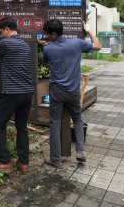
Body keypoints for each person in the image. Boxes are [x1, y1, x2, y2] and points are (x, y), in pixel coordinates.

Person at [40, 19, 101, 167]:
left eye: (48, 34)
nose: (47, 37)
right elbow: (98, 46)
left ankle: (55, 159)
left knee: (55, 122)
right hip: (73, 90)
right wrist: (88, 30)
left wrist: (46, 47)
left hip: (56, 91)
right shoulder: (76, 43)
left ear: (54, 34)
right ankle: (80, 151)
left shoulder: (48, 49)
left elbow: (46, 63)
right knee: (78, 119)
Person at [0, 17, 33, 174]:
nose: (1, 35)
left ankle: (4, 161)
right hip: (27, 92)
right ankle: (23, 162)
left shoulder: (6, 43)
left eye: (2, 32)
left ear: (7, 29)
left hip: (12, 93)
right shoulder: (24, 45)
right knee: (21, 127)